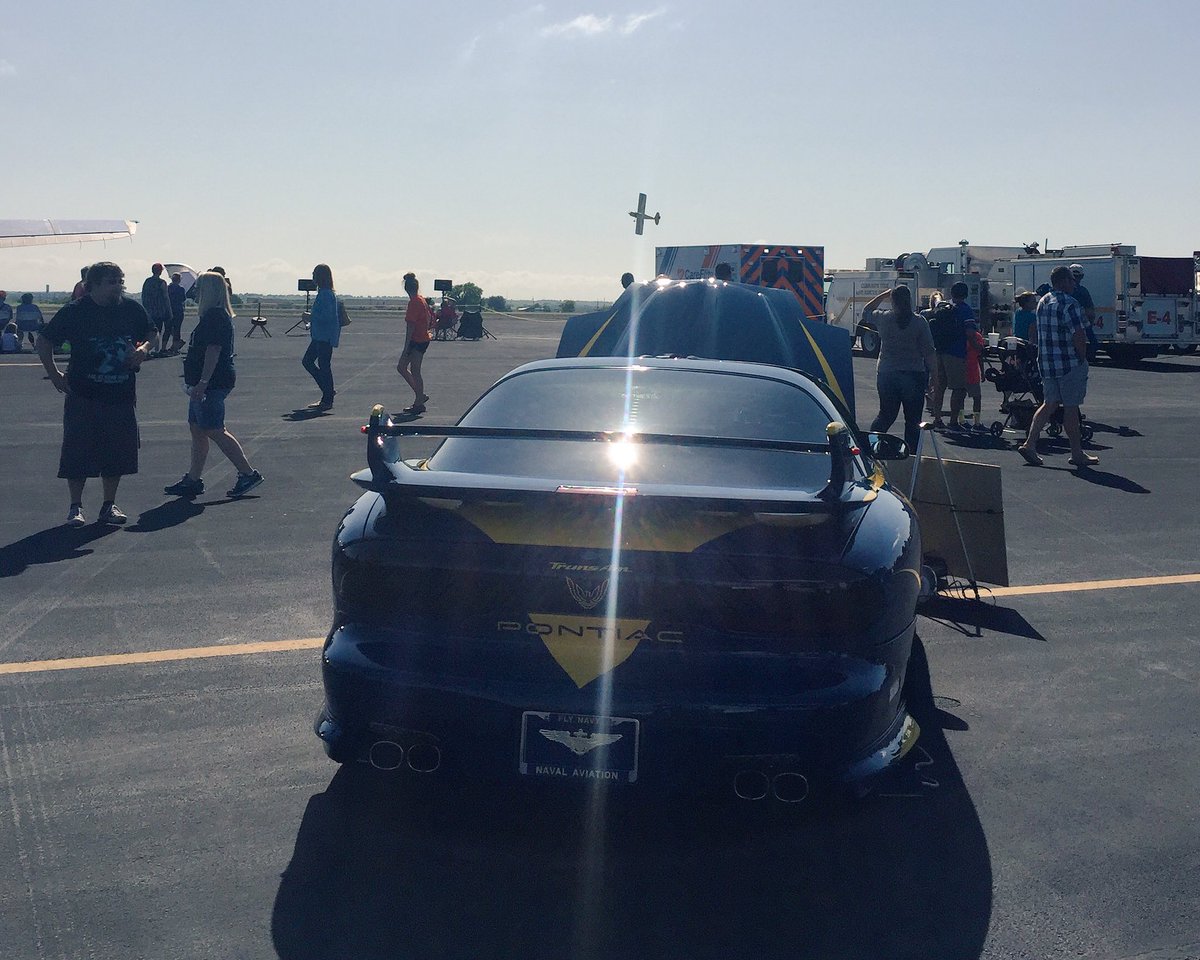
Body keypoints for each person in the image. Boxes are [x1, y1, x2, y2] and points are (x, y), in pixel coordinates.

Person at [36, 261, 152, 526]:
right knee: (78, 451)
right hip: (84, 393)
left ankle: (108, 504)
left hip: (120, 393)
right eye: (112, 282)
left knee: (116, 452)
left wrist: (144, 349)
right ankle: (75, 507)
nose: (118, 287)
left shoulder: (131, 309)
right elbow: (45, 341)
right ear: (94, 285)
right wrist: (54, 374)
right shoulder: (75, 312)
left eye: (120, 281)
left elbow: (150, 332)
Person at [164, 272, 264, 499]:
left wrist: (203, 382)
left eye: (199, 288)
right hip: (203, 383)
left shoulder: (215, 317)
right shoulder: (212, 315)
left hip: (212, 383)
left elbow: (213, 350)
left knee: (214, 429)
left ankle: (247, 473)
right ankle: (193, 478)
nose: (196, 292)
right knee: (198, 428)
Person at [1017, 265, 1098, 469]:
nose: (1074, 283)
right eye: (1071, 280)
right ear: (1063, 281)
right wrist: (1082, 357)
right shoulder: (1070, 304)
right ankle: (1076, 453)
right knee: (1071, 407)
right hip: (1068, 363)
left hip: (1046, 362)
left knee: (1048, 403)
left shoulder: (1043, 301)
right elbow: (1079, 335)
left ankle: (1030, 443)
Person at [861, 285, 935, 452]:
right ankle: (910, 457)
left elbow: (866, 311)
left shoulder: (884, 318)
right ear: (909, 300)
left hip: (887, 374)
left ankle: (870, 448)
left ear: (893, 301)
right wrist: (934, 377)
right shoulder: (919, 322)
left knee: (885, 416)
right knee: (913, 420)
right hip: (914, 374)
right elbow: (929, 352)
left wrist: (884, 294)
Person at [928, 281, 976, 428]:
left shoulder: (942, 306)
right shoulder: (965, 310)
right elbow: (969, 333)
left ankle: (937, 418)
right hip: (955, 352)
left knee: (939, 386)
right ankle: (953, 421)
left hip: (939, 351)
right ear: (966, 294)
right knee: (958, 389)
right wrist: (977, 346)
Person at [301, 263, 339, 410]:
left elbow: (326, 317)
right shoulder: (325, 293)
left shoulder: (326, 294)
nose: (312, 277)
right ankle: (327, 391)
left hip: (323, 337)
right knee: (312, 363)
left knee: (321, 365)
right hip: (319, 336)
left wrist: (310, 317)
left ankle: (327, 395)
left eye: (314, 274)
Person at [397, 272, 433, 414]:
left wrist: (406, 347)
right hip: (422, 338)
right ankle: (420, 395)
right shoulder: (421, 300)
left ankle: (419, 401)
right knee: (403, 368)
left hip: (417, 340)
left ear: (406, 289)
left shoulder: (414, 302)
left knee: (414, 370)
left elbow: (410, 326)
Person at [1068, 263, 1099, 361]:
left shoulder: (1063, 290)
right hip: (1081, 320)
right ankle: (1086, 358)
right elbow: (1090, 308)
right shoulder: (1083, 291)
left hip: (1069, 321)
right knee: (1092, 342)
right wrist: (1090, 321)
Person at [140, 262, 171, 356]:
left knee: (149, 330)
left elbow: (143, 295)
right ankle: (157, 349)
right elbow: (166, 297)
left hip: (149, 310)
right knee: (158, 330)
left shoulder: (147, 281)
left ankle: (147, 350)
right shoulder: (162, 282)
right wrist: (169, 310)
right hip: (159, 310)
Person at [165, 272, 187, 354]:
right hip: (178, 310)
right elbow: (183, 299)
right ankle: (175, 346)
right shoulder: (181, 289)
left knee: (169, 328)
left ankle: (172, 345)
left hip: (170, 310)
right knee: (177, 329)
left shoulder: (168, 288)